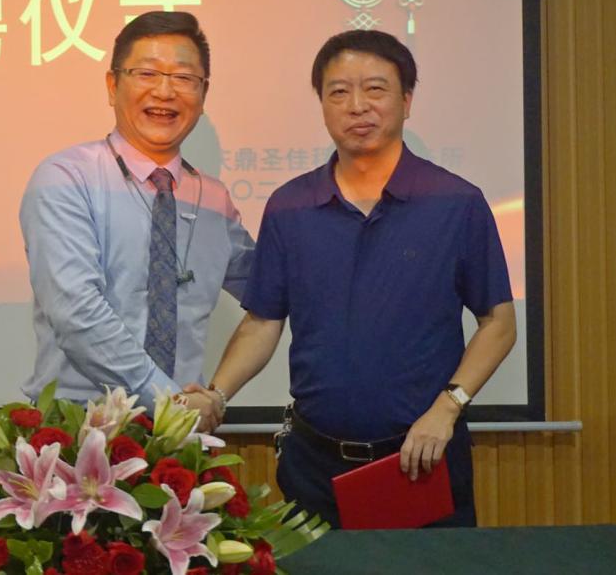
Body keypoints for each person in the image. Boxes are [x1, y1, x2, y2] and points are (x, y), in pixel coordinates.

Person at [195, 29, 516, 527]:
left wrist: (448, 407)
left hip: (421, 460)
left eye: (375, 89)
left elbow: (499, 323)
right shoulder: (290, 206)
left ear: (407, 101)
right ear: (322, 105)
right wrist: (215, 395)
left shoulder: (456, 202)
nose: (357, 106)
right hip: (313, 464)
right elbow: (262, 323)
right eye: (339, 92)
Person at [20, 11, 254, 426]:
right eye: (147, 73)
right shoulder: (67, 178)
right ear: (112, 86)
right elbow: (76, 313)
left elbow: (273, 289)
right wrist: (168, 401)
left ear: (203, 93)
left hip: (181, 435)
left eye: (183, 78)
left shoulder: (213, 199)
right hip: (78, 430)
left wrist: (215, 395)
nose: (164, 92)